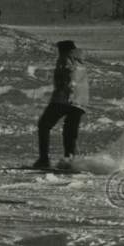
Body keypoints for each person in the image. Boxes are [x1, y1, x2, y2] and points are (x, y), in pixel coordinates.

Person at [34, 40, 89, 169]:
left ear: (63, 50)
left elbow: (69, 75)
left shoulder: (65, 58)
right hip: (81, 102)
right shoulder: (80, 61)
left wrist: (67, 88)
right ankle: (69, 161)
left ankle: (43, 159)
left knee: (44, 125)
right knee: (69, 131)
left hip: (65, 99)